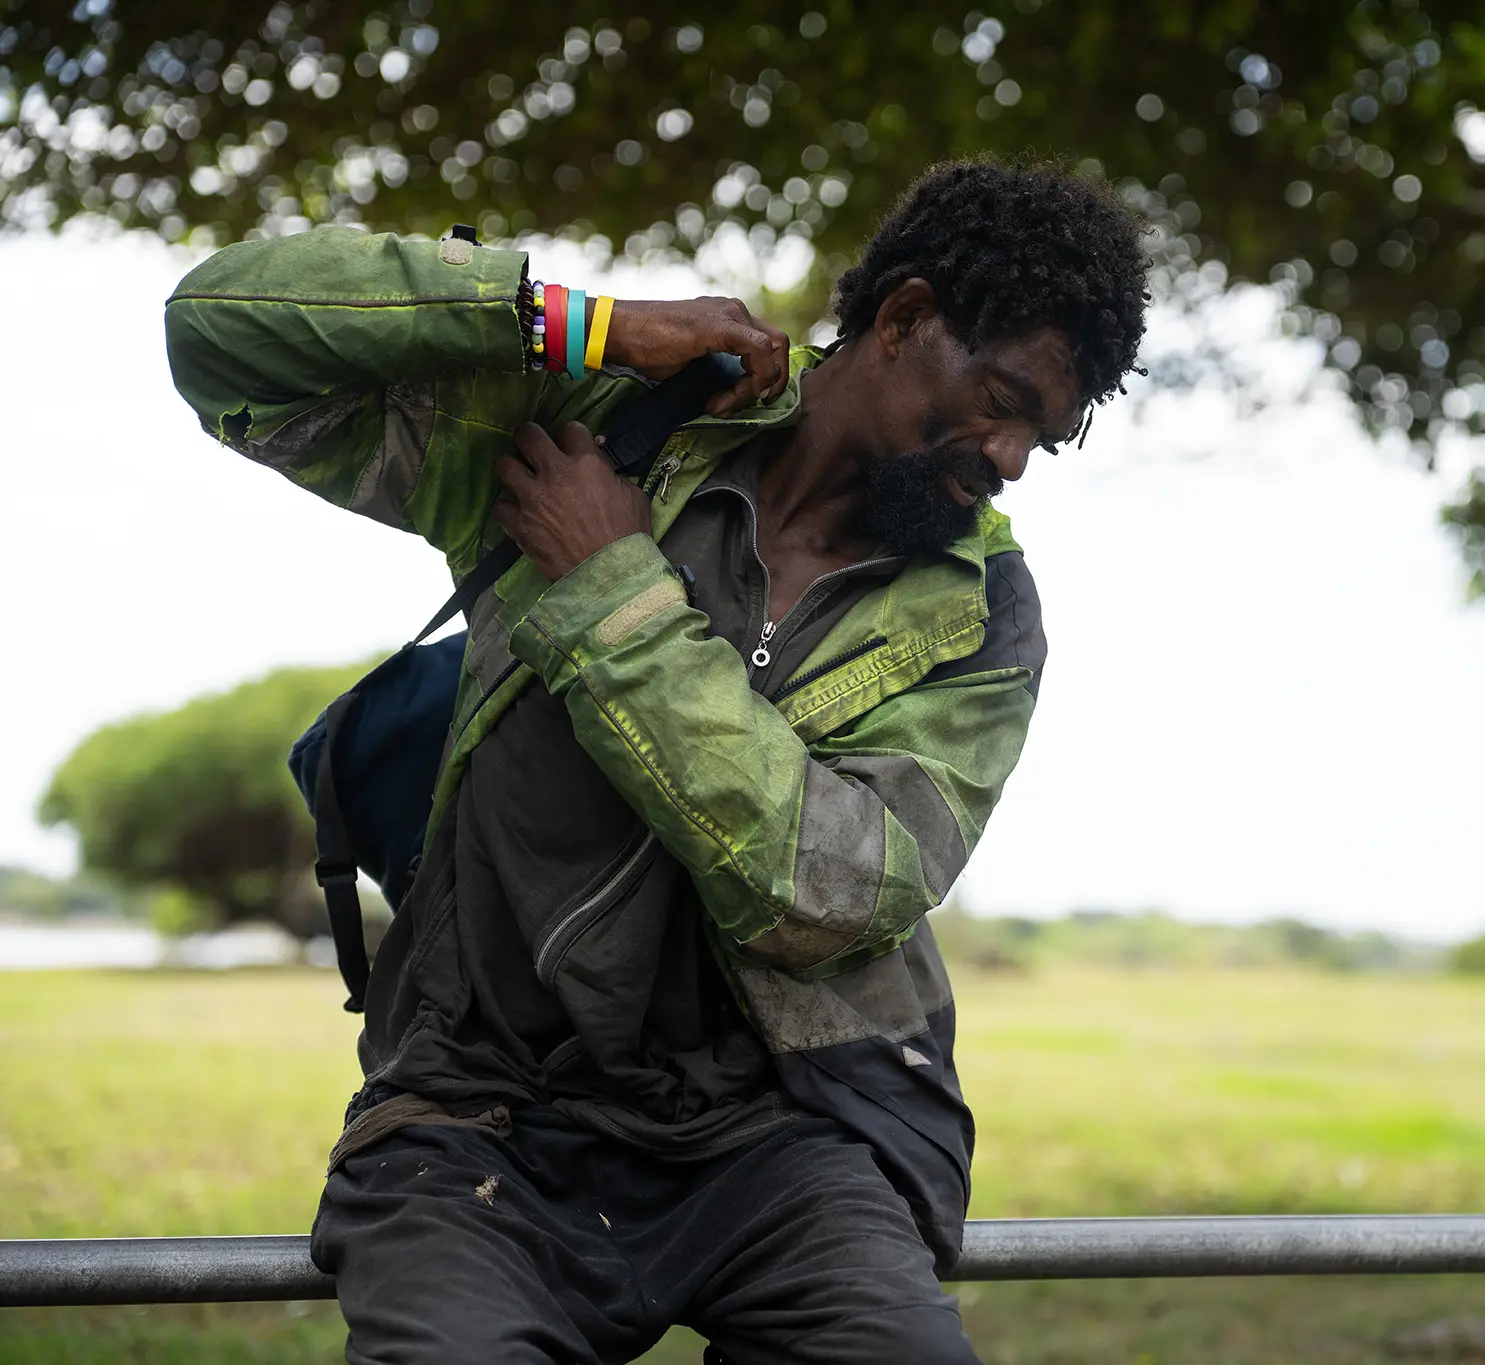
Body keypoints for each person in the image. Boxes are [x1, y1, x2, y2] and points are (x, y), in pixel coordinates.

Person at [163, 160, 1150, 1364]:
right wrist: (586, 324)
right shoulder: (612, 422)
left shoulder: (981, 612)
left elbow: (835, 888)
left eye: (1037, 440)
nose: (1005, 456)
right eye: (1001, 400)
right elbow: (221, 333)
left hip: (788, 1130)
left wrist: (611, 593)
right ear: (901, 318)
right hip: (477, 1118)